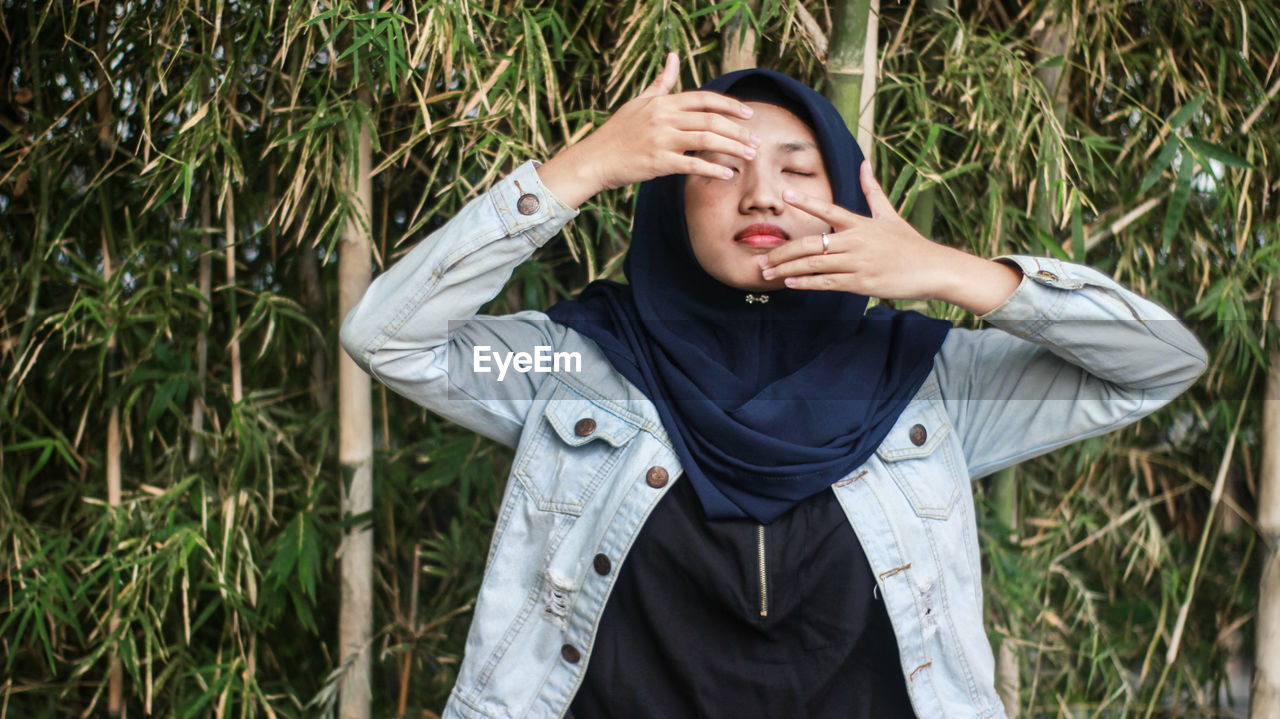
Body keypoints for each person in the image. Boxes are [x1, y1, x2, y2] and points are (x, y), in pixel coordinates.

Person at [341, 53, 1206, 719]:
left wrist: (949, 272)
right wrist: (581, 169)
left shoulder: (926, 384)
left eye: (797, 170)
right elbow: (390, 337)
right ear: (665, 199)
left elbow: (1159, 362)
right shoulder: (579, 366)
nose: (761, 193)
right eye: (719, 167)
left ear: (847, 195)